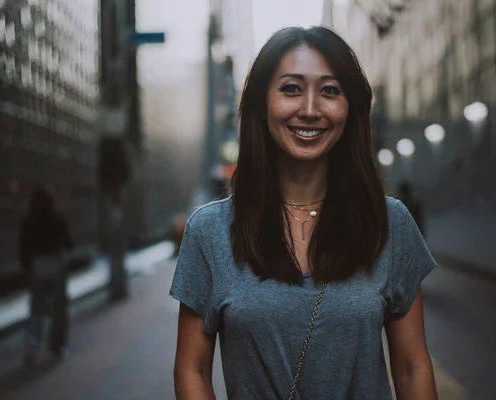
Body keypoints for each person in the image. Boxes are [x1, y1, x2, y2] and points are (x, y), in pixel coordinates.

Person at [170, 26, 438, 399]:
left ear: (350, 109)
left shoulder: (388, 224)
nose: (310, 110)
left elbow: (412, 367)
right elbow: (192, 369)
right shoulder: (210, 230)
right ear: (262, 106)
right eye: (291, 88)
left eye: (329, 91)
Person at [19, 187, 73, 364]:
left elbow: (22, 250)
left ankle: (32, 344)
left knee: (36, 308)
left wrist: (28, 268)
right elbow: (69, 243)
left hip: (37, 265)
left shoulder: (28, 221)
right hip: (56, 264)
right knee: (59, 308)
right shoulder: (58, 218)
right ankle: (57, 347)